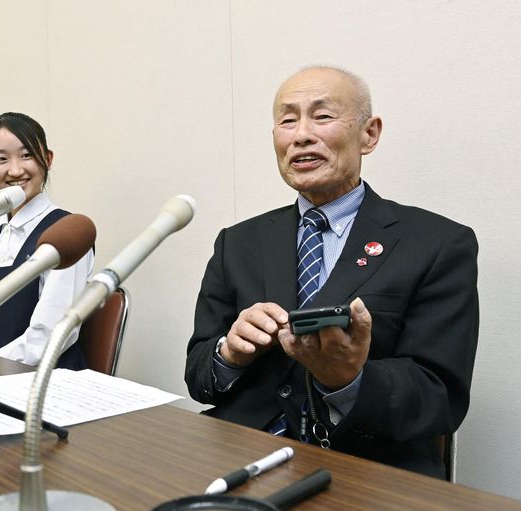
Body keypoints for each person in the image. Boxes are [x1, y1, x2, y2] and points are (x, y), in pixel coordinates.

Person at [184, 66, 479, 479]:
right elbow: (199, 376)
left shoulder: (437, 243)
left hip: (368, 468)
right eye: (287, 120)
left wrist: (349, 379)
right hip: (242, 455)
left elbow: (440, 400)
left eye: (322, 116)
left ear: (369, 134)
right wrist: (229, 354)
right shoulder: (238, 242)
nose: (301, 134)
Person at [0, 112, 94, 369]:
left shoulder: (67, 234)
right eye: (1, 159)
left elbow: (50, 334)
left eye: (27, 155)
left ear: (47, 159)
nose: (15, 170)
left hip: (49, 381)